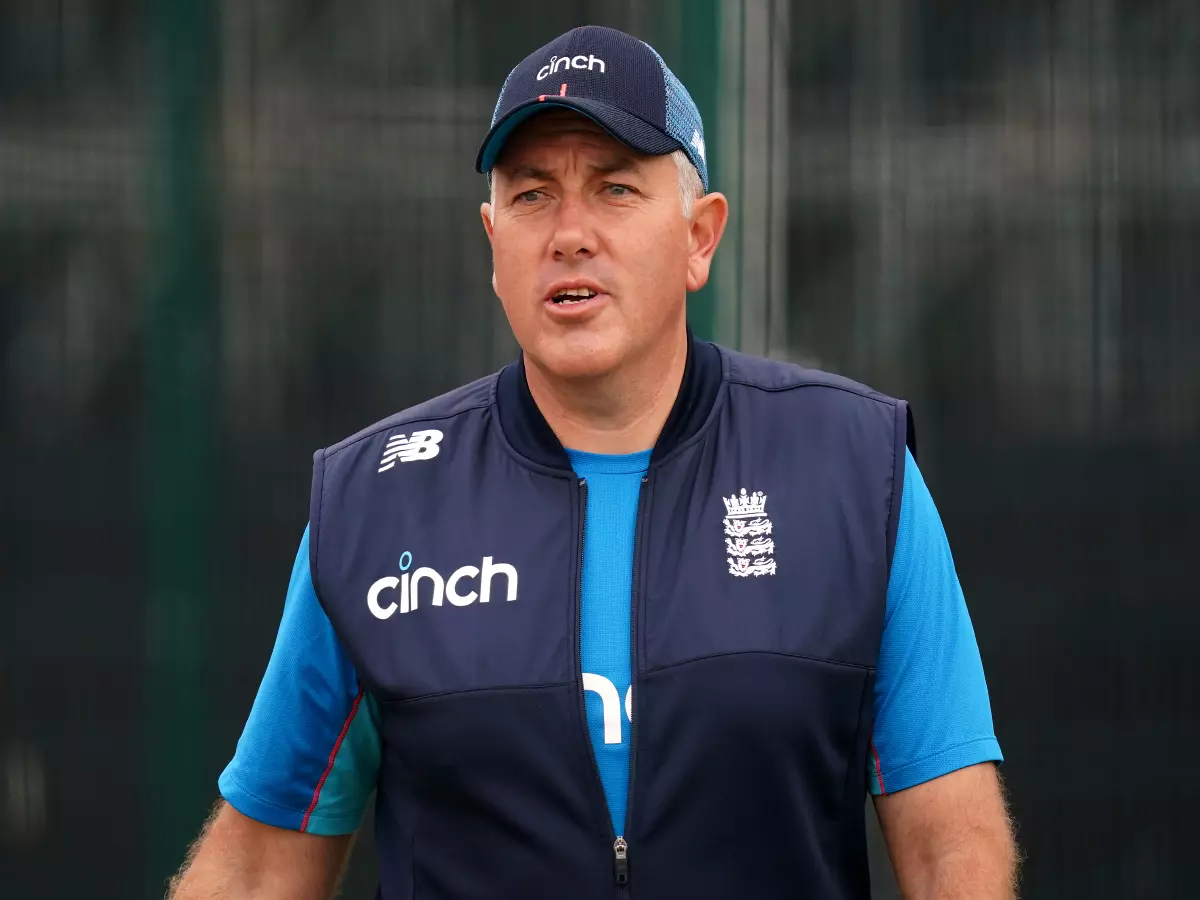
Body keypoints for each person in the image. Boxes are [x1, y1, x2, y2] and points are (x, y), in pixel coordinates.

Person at [169, 25, 1016, 900]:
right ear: (493, 243)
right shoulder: (378, 505)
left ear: (700, 237)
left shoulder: (853, 472)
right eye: (533, 195)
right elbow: (258, 867)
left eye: (614, 188)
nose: (570, 233)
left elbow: (954, 850)